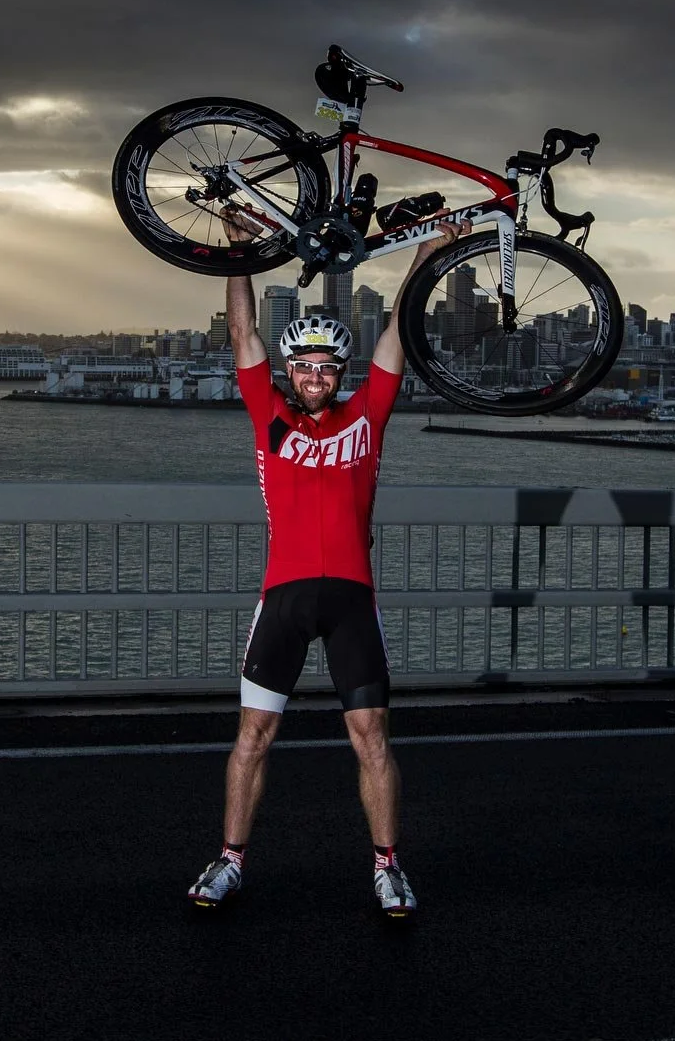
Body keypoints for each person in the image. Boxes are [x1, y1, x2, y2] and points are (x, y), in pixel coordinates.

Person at [187, 212, 463, 918]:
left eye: (326, 367)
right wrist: (239, 252)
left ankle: (388, 867)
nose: (314, 377)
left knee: (370, 738)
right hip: (281, 598)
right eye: (304, 367)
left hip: (349, 601)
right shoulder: (267, 412)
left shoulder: (368, 413)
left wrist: (428, 254)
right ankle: (229, 860)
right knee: (253, 736)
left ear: (342, 372)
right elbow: (243, 333)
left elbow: (400, 331)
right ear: (291, 371)